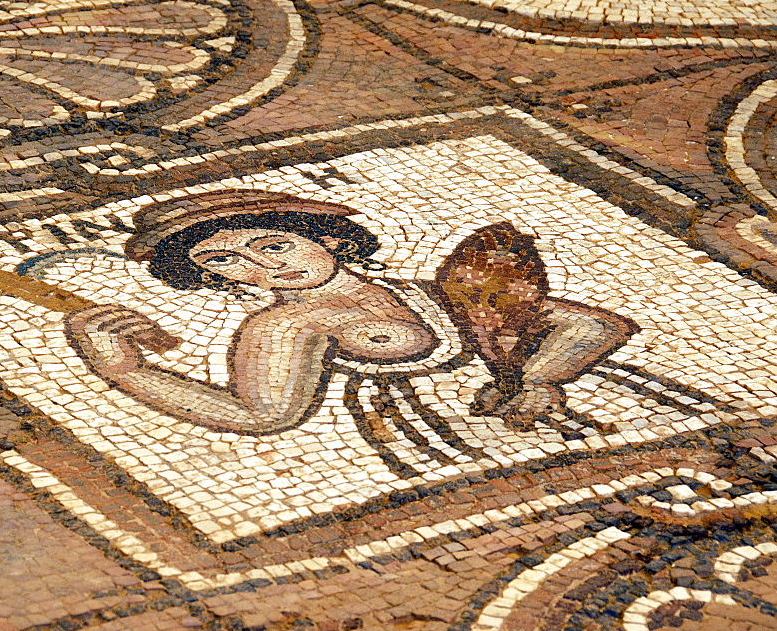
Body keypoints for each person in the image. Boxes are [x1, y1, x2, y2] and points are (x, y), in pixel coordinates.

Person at [65, 190, 638, 477]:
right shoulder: (287, 323)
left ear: (328, 239)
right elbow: (263, 414)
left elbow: (595, 324)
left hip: (548, 408)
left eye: (272, 246)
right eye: (223, 261)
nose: (261, 269)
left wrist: (538, 378)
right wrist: (125, 370)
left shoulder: (430, 288)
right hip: (453, 440)